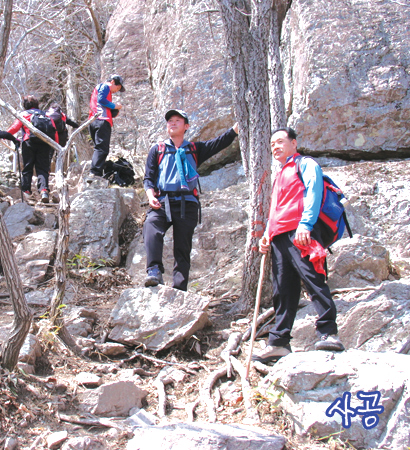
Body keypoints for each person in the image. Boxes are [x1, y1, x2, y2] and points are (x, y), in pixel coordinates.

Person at [252, 127, 344, 364]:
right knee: (282, 289)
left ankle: (329, 332)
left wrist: (306, 224)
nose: (275, 147)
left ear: (294, 143)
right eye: (272, 144)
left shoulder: (305, 164)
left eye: (280, 142)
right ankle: (279, 342)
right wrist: (267, 236)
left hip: (301, 232)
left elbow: (314, 191)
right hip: (280, 237)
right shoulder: (280, 174)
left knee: (313, 279)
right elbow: (276, 209)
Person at [143, 109, 238, 291]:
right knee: (151, 227)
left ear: (186, 126)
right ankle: (154, 271)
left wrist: (235, 129)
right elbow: (148, 178)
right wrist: (150, 195)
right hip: (162, 201)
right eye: (170, 120)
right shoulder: (158, 149)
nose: (172, 123)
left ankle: (179, 288)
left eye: (177, 120)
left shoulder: (195, 149)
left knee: (183, 246)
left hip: (188, 203)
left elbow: (220, 142)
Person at [7, 95, 57, 203]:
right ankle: (43, 190)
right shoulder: (45, 114)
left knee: (28, 167)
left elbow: (15, 127)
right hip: (44, 142)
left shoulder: (24, 114)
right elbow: (54, 130)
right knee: (42, 168)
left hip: (28, 141)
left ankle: (26, 191)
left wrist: (3, 134)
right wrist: (56, 145)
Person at [88, 74, 125, 177]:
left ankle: (97, 172)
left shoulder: (100, 88)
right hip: (102, 121)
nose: (116, 91)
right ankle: (95, 173)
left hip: (94, 120)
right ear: (112, 82)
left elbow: (99, 103)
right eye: (117, 88)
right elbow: (101, 100)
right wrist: (115, 106)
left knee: (99, 148)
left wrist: (112, 112)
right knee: (102, 149)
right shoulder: (105, 86)